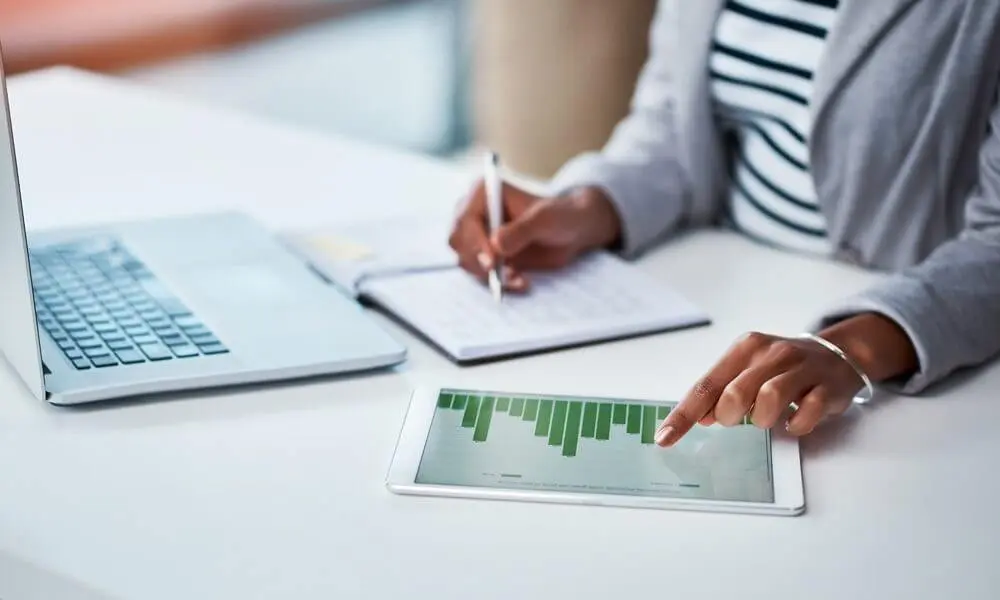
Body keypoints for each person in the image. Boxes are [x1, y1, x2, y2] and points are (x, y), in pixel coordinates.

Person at [448, 1, 1000, 446]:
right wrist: (588, 206)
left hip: (922, 358)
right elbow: (671, 125)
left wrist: (856, 347)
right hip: (714, 290)